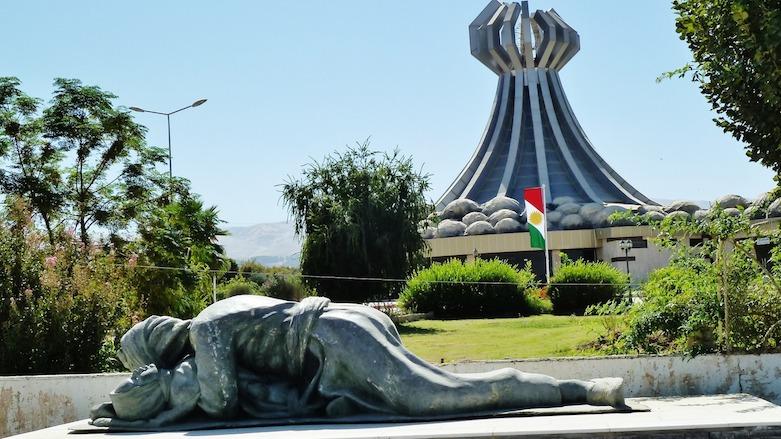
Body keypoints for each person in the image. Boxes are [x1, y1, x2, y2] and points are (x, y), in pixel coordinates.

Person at [91, 295, 624, 427]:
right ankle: (581, 390)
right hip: (341, 328)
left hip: (334, 337)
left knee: (438, 397)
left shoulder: (205, 330)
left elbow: (221, 401)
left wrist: (153, 409)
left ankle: (584, 391)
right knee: (437, 389)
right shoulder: (214, 314)